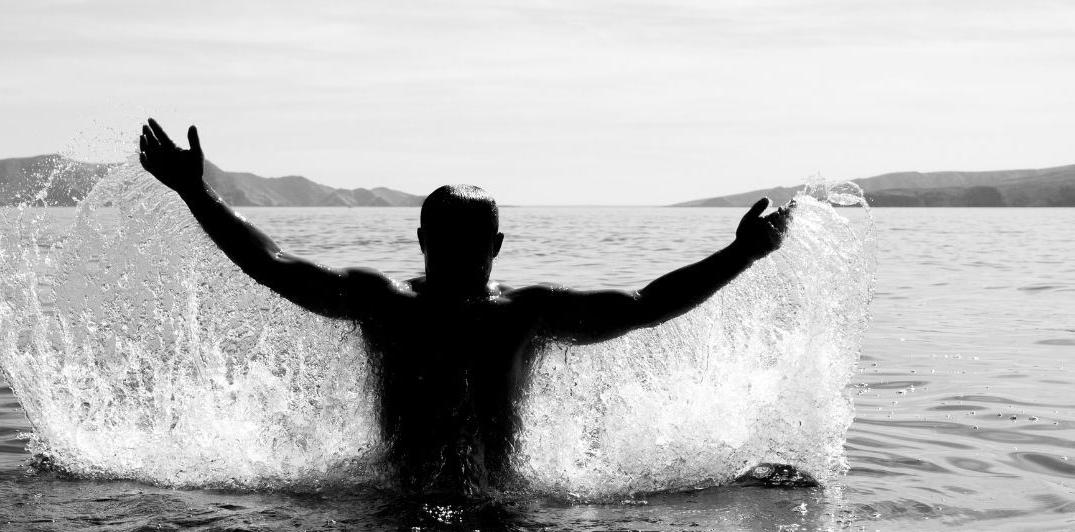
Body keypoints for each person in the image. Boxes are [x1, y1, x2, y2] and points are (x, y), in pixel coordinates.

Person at [139, 119, 791, 494]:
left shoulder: (517, 315)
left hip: (467, 506)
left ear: (497, 246)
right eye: (447, 244)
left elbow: (647, 304)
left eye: (468, 245)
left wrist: (743, 255)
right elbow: (272, 266)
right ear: (422, 241)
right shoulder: (389, 304)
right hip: (410, 504)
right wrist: (196, 193)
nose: (456, 257)